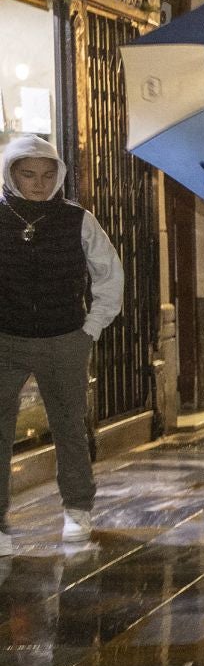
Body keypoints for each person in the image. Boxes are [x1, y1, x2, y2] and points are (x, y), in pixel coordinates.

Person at [0, 135, 123, 552]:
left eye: (48, 174)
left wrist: (91, 327)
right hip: (5, 339)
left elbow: (109, 273)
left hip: (65, 337)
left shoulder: (78, 219)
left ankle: (77, 508)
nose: (39, 182)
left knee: (69, 426)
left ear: (59, 176)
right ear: (11, 173)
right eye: (29, 174)